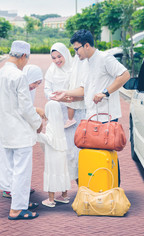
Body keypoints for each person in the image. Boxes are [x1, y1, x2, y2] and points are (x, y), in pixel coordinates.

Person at [51, 29, 131, 185]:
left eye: (76, 49)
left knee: (108, 154)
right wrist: (65, 93)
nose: (75, 53)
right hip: (92, 117)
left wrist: (105, 92)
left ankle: (112, 190)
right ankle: (99, 189)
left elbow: (125, 75)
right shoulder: (85, 63)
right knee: (96, 156)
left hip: (106, 116)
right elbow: (83, 91)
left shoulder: (104, 58)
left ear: (86, 45)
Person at [0, 40, 43, 220]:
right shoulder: (18, 76)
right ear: (23, 56)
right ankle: (17, 209)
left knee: (14, 170)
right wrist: (38, 124)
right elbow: (26, 108)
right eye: (26, 60)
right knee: (22, 170)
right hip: (19, 132)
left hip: (5, 131)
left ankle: (21, 203)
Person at [0, 64, 44, 199]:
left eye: (38, 84)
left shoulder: (25, 86)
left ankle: (17, 187)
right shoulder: (18, 80)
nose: (35, 86)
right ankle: (9, 187)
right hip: (0, 121)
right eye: (35, 82)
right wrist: (37, 122)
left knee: (13, 157)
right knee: (4, 156)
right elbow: (19, 106)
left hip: (9, 122)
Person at [44, 42, 86, 182]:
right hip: (59, 114)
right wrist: (53, 96)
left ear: (65, 54)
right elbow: (46, 89)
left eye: (59, 57)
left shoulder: (75, 67)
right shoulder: (51, 71)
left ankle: (83, 181)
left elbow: (81, 88)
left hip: (76, 112)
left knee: (78, 148)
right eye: (54, 58)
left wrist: (70, 97)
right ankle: (66, 185)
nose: (57, 61)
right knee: (64, 150)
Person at [37, 100, 71, 207]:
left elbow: (49, 140)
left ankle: (51, 199)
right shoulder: (61, 123)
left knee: (51, 173)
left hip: (52, 154)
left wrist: (38, 135)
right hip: (62, 152)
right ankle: (64, 196)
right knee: (62, 172)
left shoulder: (50, 125)